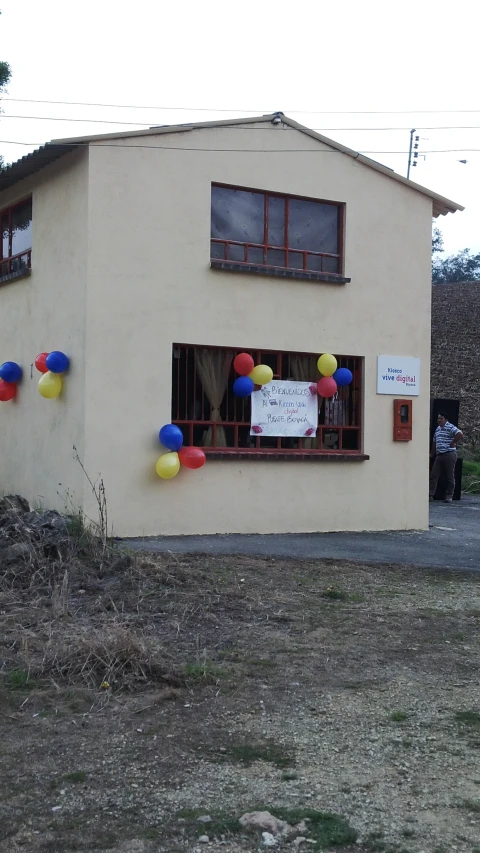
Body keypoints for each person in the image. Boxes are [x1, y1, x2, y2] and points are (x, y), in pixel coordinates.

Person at [429, 412, 463, 503]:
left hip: (449, 453)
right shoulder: (438, 429)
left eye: (441, 418)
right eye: (438, 418)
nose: (439, 420)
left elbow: (460, 434)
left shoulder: (450, 427)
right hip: (439, 454)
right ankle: (430, 494)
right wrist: (432, 454)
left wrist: (453, 442)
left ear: (446, 419)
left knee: (449, 476)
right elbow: (435, 442)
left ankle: (449, 495)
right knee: (433, 475)